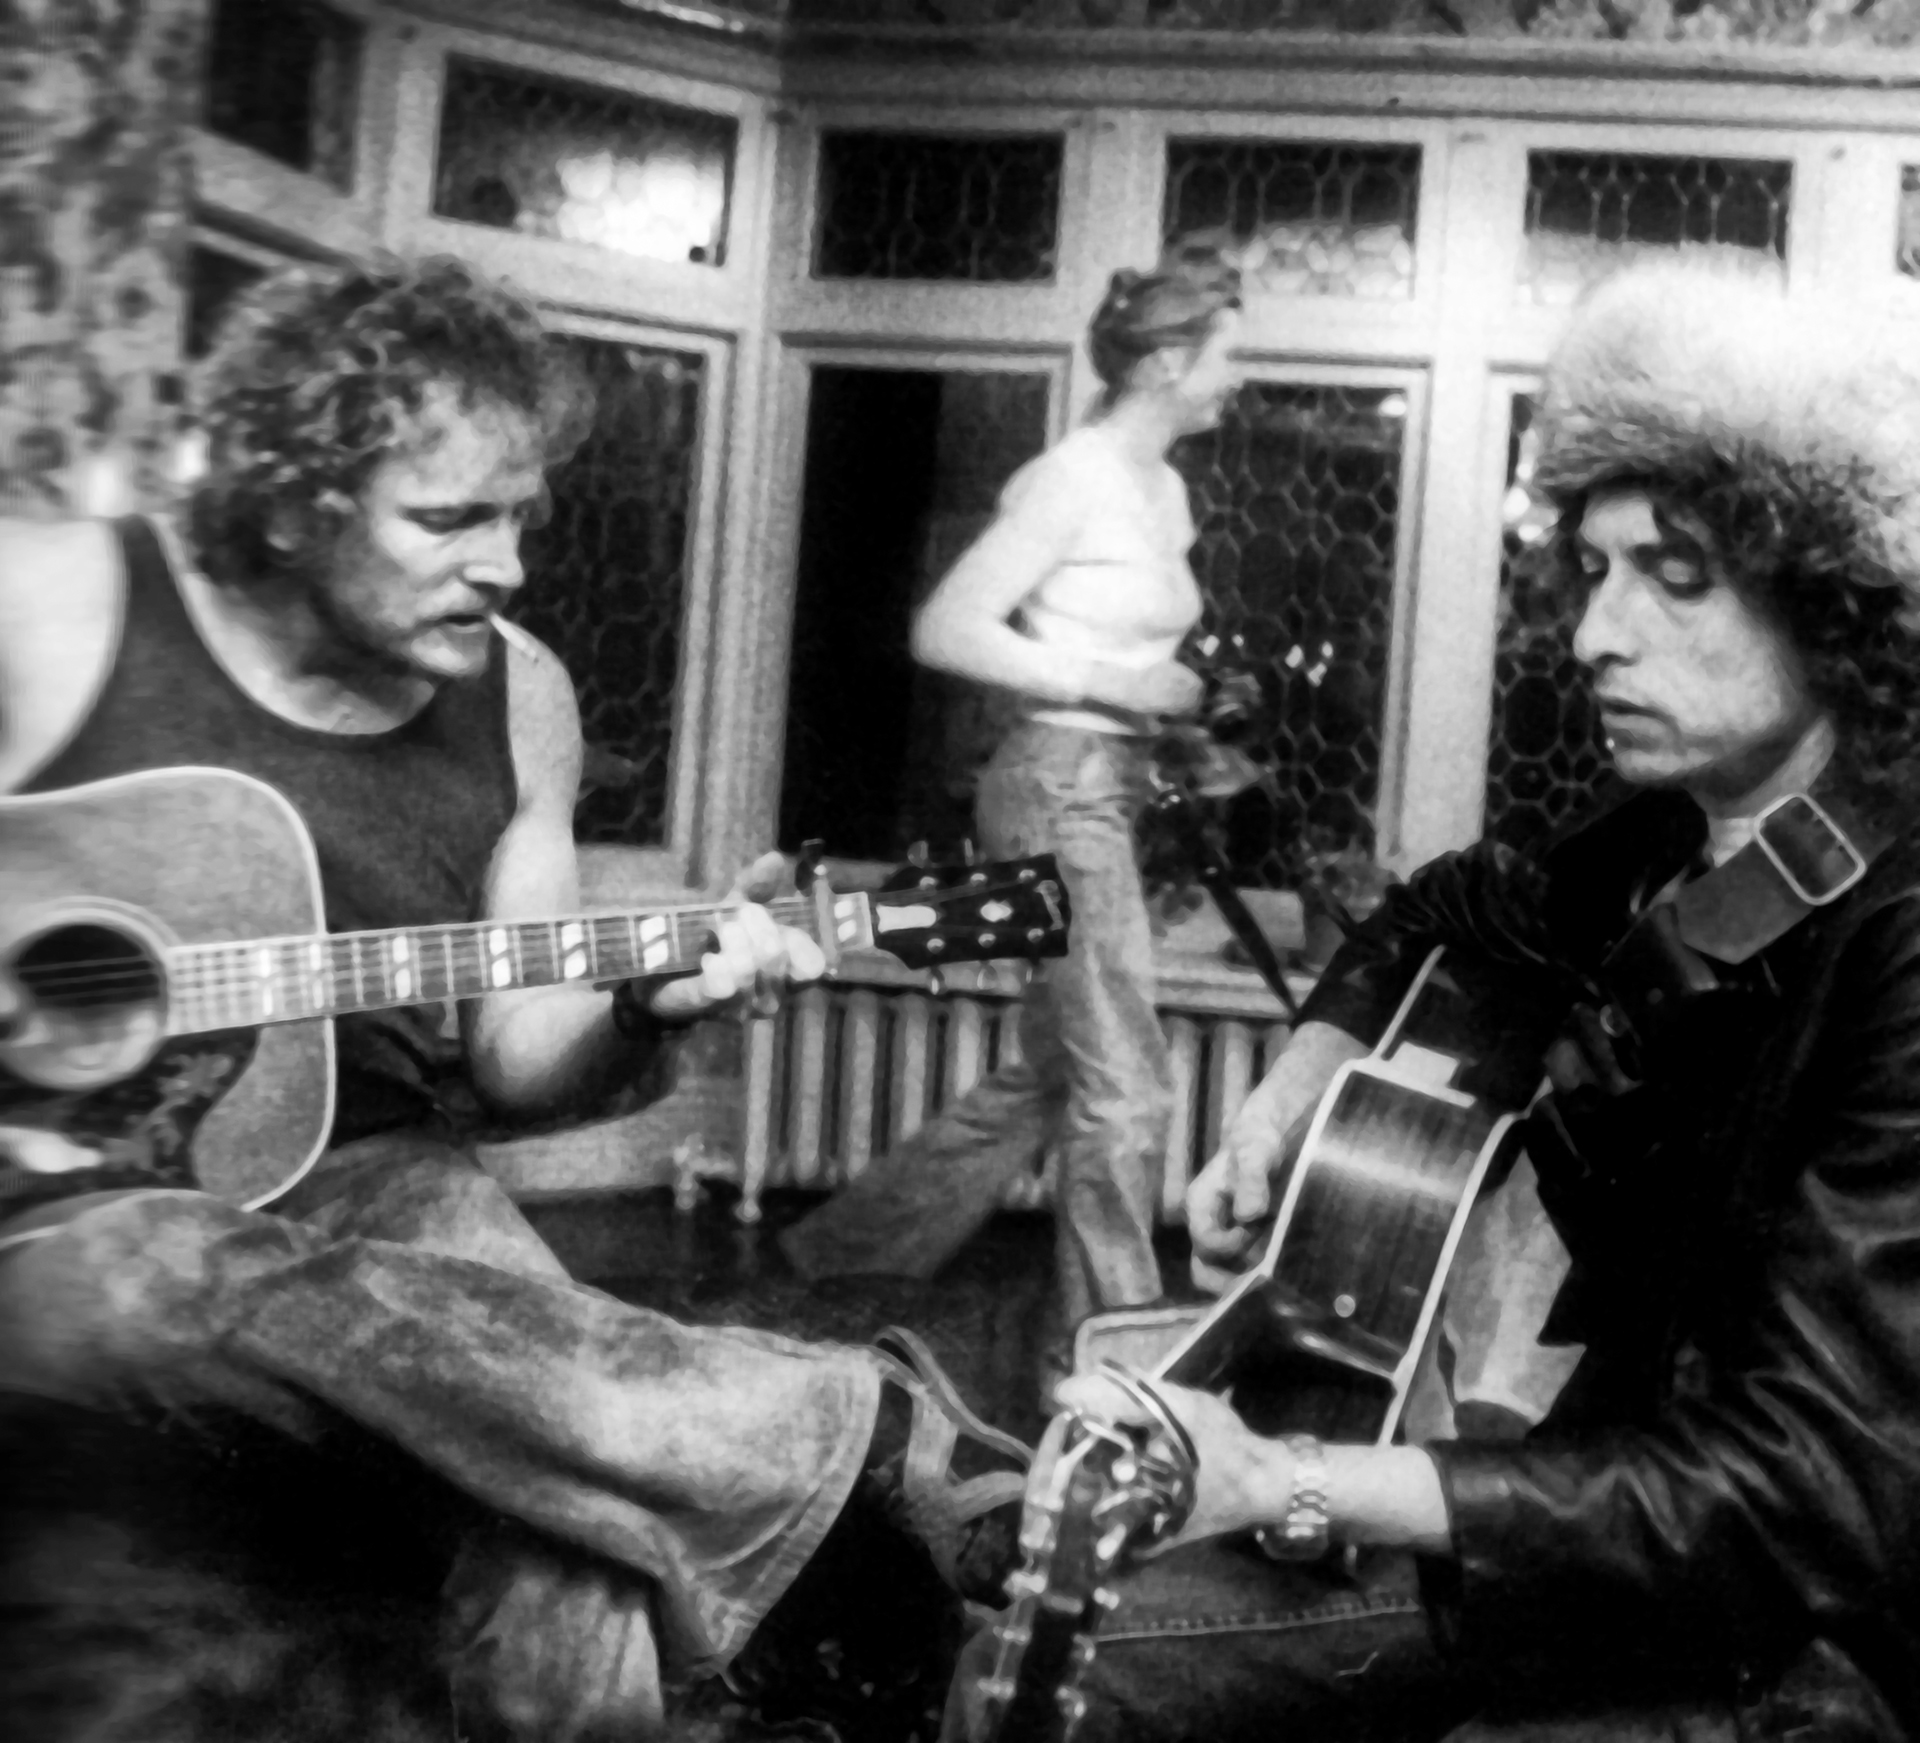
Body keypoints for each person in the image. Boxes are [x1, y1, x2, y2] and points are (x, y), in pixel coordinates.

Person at [0, 254, 1029, 1743]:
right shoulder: (58, 601)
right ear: (293, 504)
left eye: (522, 517)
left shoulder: (519, 694)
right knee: (144, 1259)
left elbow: (517, 1056)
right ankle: (851, 1427)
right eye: (448, 519)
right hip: (55, 1216)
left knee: (563, 1519)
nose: (507, 568)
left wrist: (648, 1009)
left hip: (369, 1167)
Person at [944, 261, 1920, 1743]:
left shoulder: (1897, 933)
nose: (1594, 635)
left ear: (1830, 599)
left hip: (1790, 1646)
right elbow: (1443, 906)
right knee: (1009, 1630)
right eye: (1592, 570)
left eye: (1675, 577)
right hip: (1585, 1521)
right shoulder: (1657, 839)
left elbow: (1820, 1489)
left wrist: (1291, 1481)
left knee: (1104, 1682)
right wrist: (1291, 1091)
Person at [780, 250, 1243, 1353]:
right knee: (1127, 1088)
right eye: (1229, 356)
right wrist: (1116, 685)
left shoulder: (1163, 489)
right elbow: (944, 628)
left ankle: (837, 1263)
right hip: (1053, 785)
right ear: (1168, 363)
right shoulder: (1072, 477)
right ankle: (1109, 1360)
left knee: (1058, 1068)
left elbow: (1119, 653)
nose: (1240, 377)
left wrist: (1176, 714)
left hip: (1106, 782)